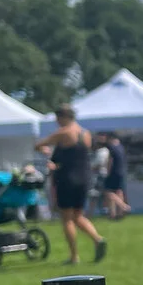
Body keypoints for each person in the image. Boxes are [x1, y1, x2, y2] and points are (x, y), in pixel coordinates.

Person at [37, 106, 107, 265]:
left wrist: (45, 150)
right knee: (78, 215)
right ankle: (97, 239)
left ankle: (74, 256)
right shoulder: (85, 133)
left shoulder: (63, 132)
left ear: (63, 117)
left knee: (67, 218)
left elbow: (39, 144)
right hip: (84, 178)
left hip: (67, 178)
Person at [103, 134, 130, 220]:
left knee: (108, 192)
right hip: (122, 172)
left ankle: (123, 206)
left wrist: (107, 171)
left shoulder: (112, 147)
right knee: (119, 191)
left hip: (113, 172)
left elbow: (110, 161)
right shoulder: (121, 147)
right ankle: (118, 214)